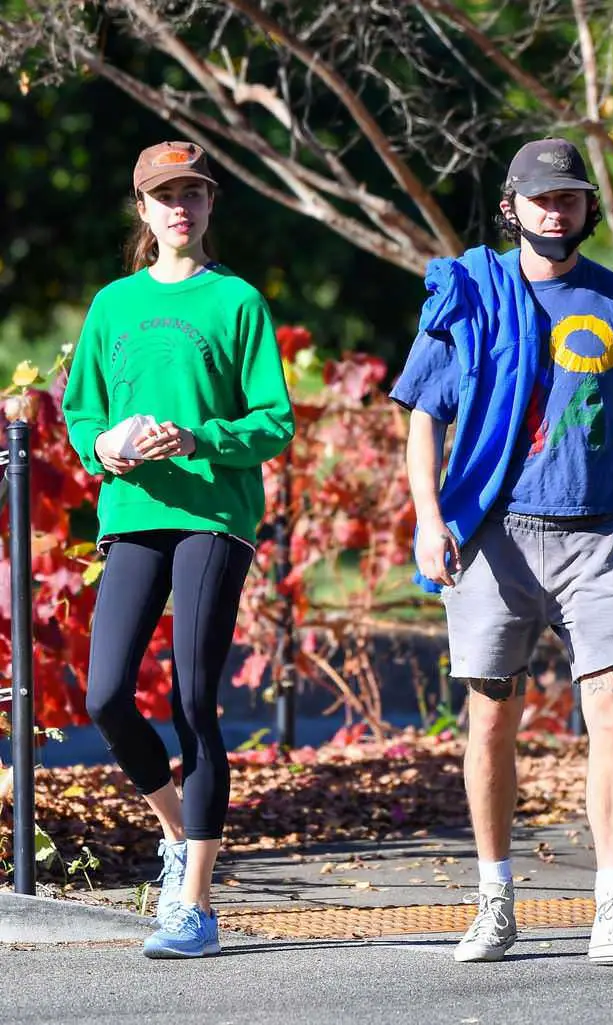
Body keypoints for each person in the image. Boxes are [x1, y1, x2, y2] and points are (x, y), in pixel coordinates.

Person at [390, 137, 613, 965]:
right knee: (492, 719)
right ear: (512, 207)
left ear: (590, 208)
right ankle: (494, 901)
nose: (559, 211)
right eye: (543, 198)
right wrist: (426, 517)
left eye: (573, 198)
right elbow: (422, 416)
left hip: (596, 536)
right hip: (495, 536)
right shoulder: (471, 296)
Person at [63, 140, 295, 959]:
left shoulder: (236, 302)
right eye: (165, 195)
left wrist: (201, 434)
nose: (180, 207)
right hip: (133, 512)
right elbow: (80, 414)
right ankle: (177, 828)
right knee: (104, 695)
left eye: (193, 192)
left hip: (214, 517)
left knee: (193, 697)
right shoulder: (112, 305)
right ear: (143, 209)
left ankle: (193, 902)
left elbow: (274, 420)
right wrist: (107, 451)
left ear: (208, 204)